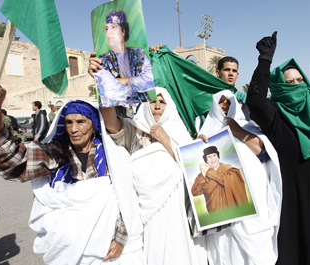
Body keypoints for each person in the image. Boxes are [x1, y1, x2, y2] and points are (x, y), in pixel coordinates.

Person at [0, 79, 145, 264]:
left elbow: (128, 199)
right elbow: (11, 160)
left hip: (109, 250)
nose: (74, 129)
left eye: (81, 122)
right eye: (69, 122)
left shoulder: (113, 155)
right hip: (67, 252)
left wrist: (121, 237)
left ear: (94, 125)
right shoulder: (58, 153)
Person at [246, 32, 310, 265]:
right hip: (288, 191)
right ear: (279, 86)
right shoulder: (275, 114)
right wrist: (265, 59)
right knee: (292, 244)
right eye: (289, 82)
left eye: (300, 81)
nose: (296, 86)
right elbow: (255, 101)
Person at [100, 87, 207, 265]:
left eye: (162, 102)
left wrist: (166, 140)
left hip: (181, 216)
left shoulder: (183, 135)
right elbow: (110, 122)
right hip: (150, 220)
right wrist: (103, 83)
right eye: (152, 101)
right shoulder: (134, 131)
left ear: (170, 106)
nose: (157, 106)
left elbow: (195, 172)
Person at [197, 90, 282, 265]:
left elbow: (264, 154)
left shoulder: (248, 128)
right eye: (221, 102)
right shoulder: (205, 133)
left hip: (252, 204)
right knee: (225, 250)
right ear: (214, 105)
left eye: (229, 102)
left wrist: (237, 130)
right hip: (220, 210)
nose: (225, 106)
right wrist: (197, 145)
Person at [91, 10, 155, 107]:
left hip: (143, 110)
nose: (109, 32)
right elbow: (109, 89)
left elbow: (149, 79)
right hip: (117, 113)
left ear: (123, 31)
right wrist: (135, 81)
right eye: (107, 28)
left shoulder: (139, 54)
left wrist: (125, 81)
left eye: (114, 26)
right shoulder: (102, 60)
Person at [191, 145, 248, 212]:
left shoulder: (229, 171)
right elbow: (195, 192)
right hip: (214, 214)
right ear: (206, 160)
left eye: (214, 155)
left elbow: (230, 183)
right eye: (209, 157)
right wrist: (203, 176)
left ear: (218, 157)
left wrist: (209, 172)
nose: (213, 159)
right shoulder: (204, 174)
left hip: (231, 210)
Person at [216, 57, 250, 121]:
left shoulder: (243, 97)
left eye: (234, 71)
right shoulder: (209, 96)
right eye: (227, 70)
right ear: (218, 73)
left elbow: (245, 123)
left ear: (237, 75)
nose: (231, 74)